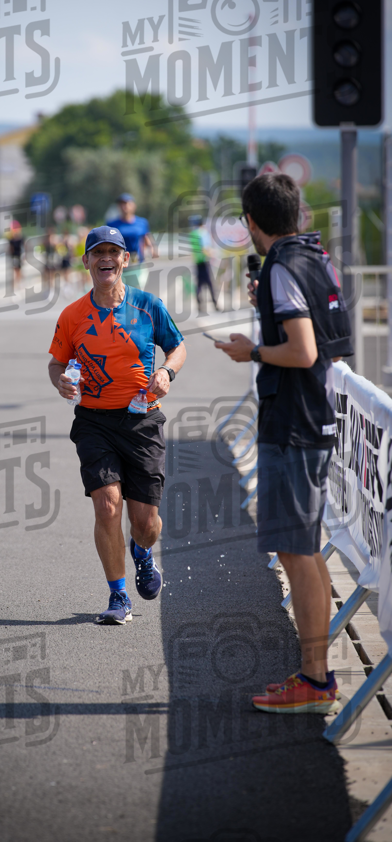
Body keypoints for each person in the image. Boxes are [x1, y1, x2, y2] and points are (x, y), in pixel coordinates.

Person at [214, 173, 352, 714]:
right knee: (306, 550)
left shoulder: (280, 267)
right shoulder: (314, 257)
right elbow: (328, 343)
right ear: (297, 214)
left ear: (250, 222)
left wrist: (252, 350)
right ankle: (314, 676)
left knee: (297, 553)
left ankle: (315, 681)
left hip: (293, 427)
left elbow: (302, 350)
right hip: (313, 420)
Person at [48, 225, 186, 624]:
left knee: (145, 523)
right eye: (98, 252)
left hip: (142, 422)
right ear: (87, 261)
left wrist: (167, 373)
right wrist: (60, 380)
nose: (106, 258)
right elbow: (57, 361)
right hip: (94, 421)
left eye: (114, 252)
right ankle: (118, 596)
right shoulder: (72, 315)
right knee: (107, 505)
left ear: (126, 259)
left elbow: (177, 347)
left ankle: (142, 551)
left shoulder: (148, 305)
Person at [107, 193, 157, 263]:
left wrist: (152, 249)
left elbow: (146, 237)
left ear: (133, 206)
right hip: (119, 262)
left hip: (137, 261)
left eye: (126, 203)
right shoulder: (111, 224)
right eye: (121, 204)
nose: (124, 206)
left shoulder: (142, 223)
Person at [189, 215, 219, 313]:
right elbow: (205, 248)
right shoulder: (203, 233)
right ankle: (215, 304)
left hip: (197, 261)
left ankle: (199, 305)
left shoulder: (193, 234)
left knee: (199, 284)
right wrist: (213, 255)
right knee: (209, 283)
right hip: (205, 261)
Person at [6, 219, 24, 290]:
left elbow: (23, 247)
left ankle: (19, 283)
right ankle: (15, 286)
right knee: (14, 271)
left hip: (19, 256)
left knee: (18, 271)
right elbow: (10, 249)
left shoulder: (20, 239)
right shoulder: (11, 240)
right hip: (13, 257)